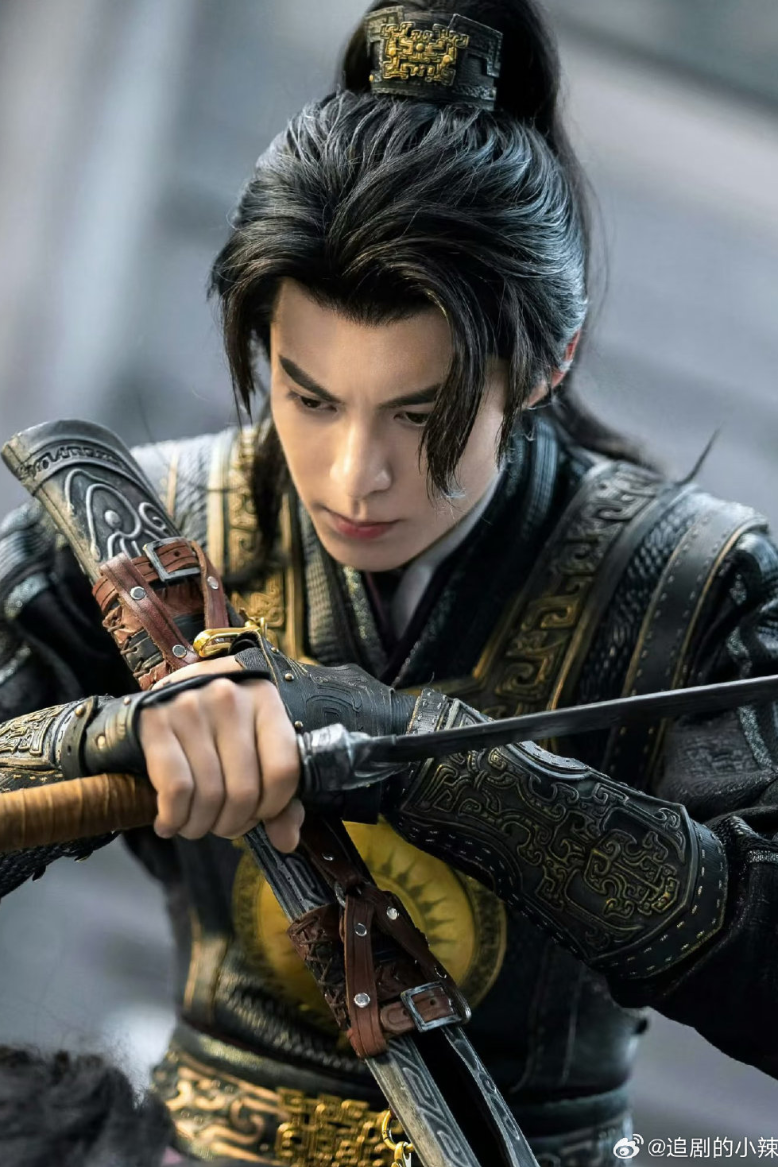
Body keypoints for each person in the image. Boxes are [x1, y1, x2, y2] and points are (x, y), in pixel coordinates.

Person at [0, 1, 776, 1164]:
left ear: (546, 365)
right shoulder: (140, 533)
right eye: (308, 397)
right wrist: (124, 737)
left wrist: (424, 756)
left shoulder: (692, 585)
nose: (354, 476)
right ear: (259, 341)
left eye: (423, 415)